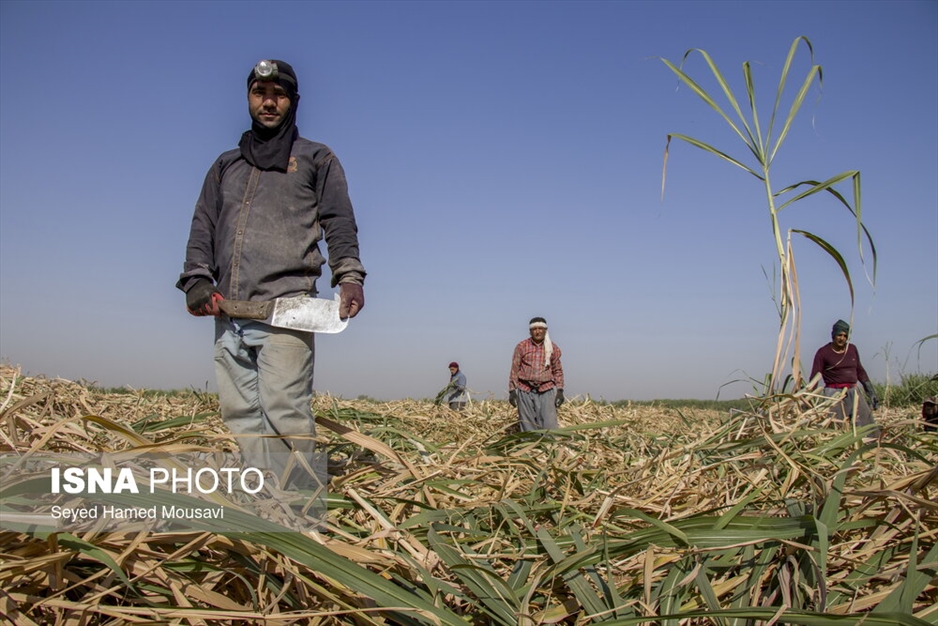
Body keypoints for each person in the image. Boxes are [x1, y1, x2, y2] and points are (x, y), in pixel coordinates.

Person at [176, 59, 366, 487]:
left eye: (278, 95)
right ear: (248, 98)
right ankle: (264, 497)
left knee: (284, 408)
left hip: (286, 309)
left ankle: (298, 508)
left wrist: (349, 275)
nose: (269, 102)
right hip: (229, 311)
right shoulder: (226, 165)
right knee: (241, 412)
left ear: (292, 102)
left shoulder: (317, 158)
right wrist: (196, 280)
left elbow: (339, 221)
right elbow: (203, 224)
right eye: (260, 93)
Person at [810, 319, 879, 435]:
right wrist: (809, 399)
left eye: (845, 335)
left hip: (853, 392)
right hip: (834, 394)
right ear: (833, 335)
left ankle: (871, 446)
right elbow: (815, 376)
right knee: (836, 427)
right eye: (839, 335)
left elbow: (860, 371)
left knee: (866, 423)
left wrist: (871, 392)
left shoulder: (852, 349)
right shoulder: (823, 352)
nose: (842, 338)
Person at [508, 317, 565, 431]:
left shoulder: (552, 348)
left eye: (540, 329)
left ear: (546, 330)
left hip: (546, 389)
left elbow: (557, 370)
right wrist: (512, 391)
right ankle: (529, 447)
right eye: (534, 329)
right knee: (527, 423)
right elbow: (515, 369)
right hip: (525, 389)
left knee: (549, 423)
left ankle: (549, 446)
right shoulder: (522, 346)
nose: (538, 331)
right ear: (530, 331)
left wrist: (560, 391)